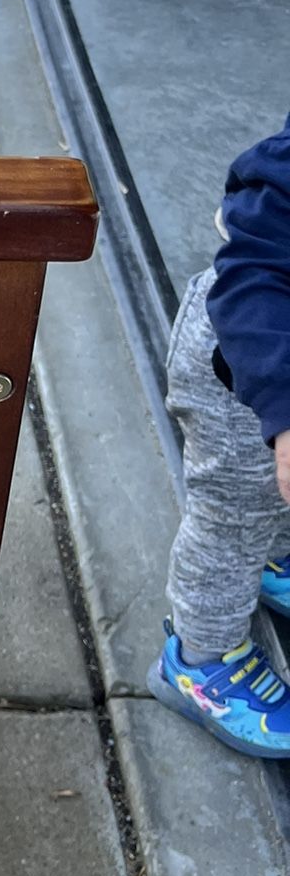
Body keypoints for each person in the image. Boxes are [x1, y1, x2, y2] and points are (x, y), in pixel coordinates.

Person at [148, 114, 290, 759]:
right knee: (229, 522)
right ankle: (199, 658)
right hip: (240, 374)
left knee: (276, 502)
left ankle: (276, 558)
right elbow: (257, 266)